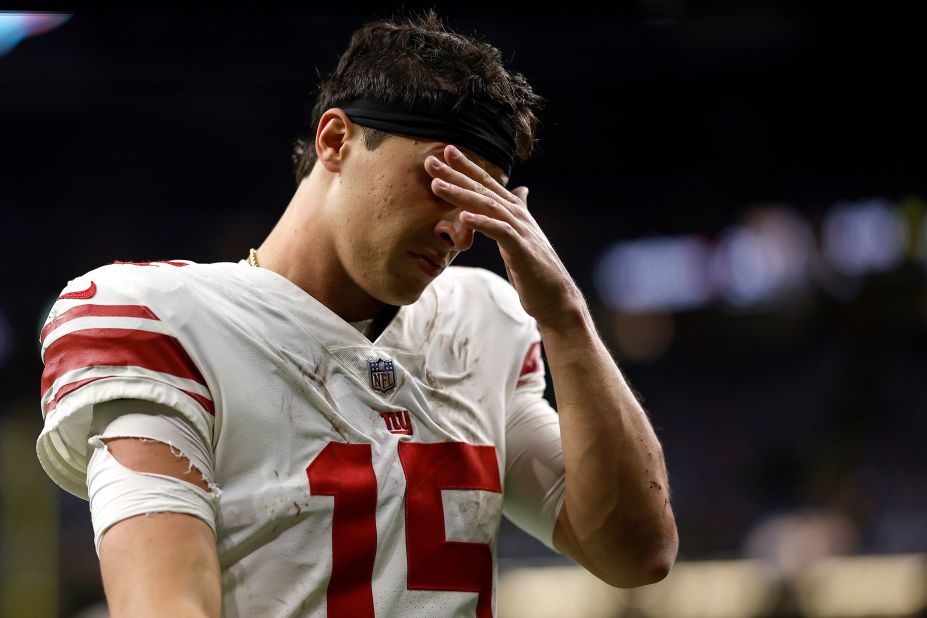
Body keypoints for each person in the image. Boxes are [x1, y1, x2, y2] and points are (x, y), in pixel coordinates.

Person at [36, 10, 677, 617]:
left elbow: (638, 553)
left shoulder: (482, 324)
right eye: (439, 181)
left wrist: (566, 318)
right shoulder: (165, 323)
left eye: (482, 202)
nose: (459, 229)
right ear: (337, 139)